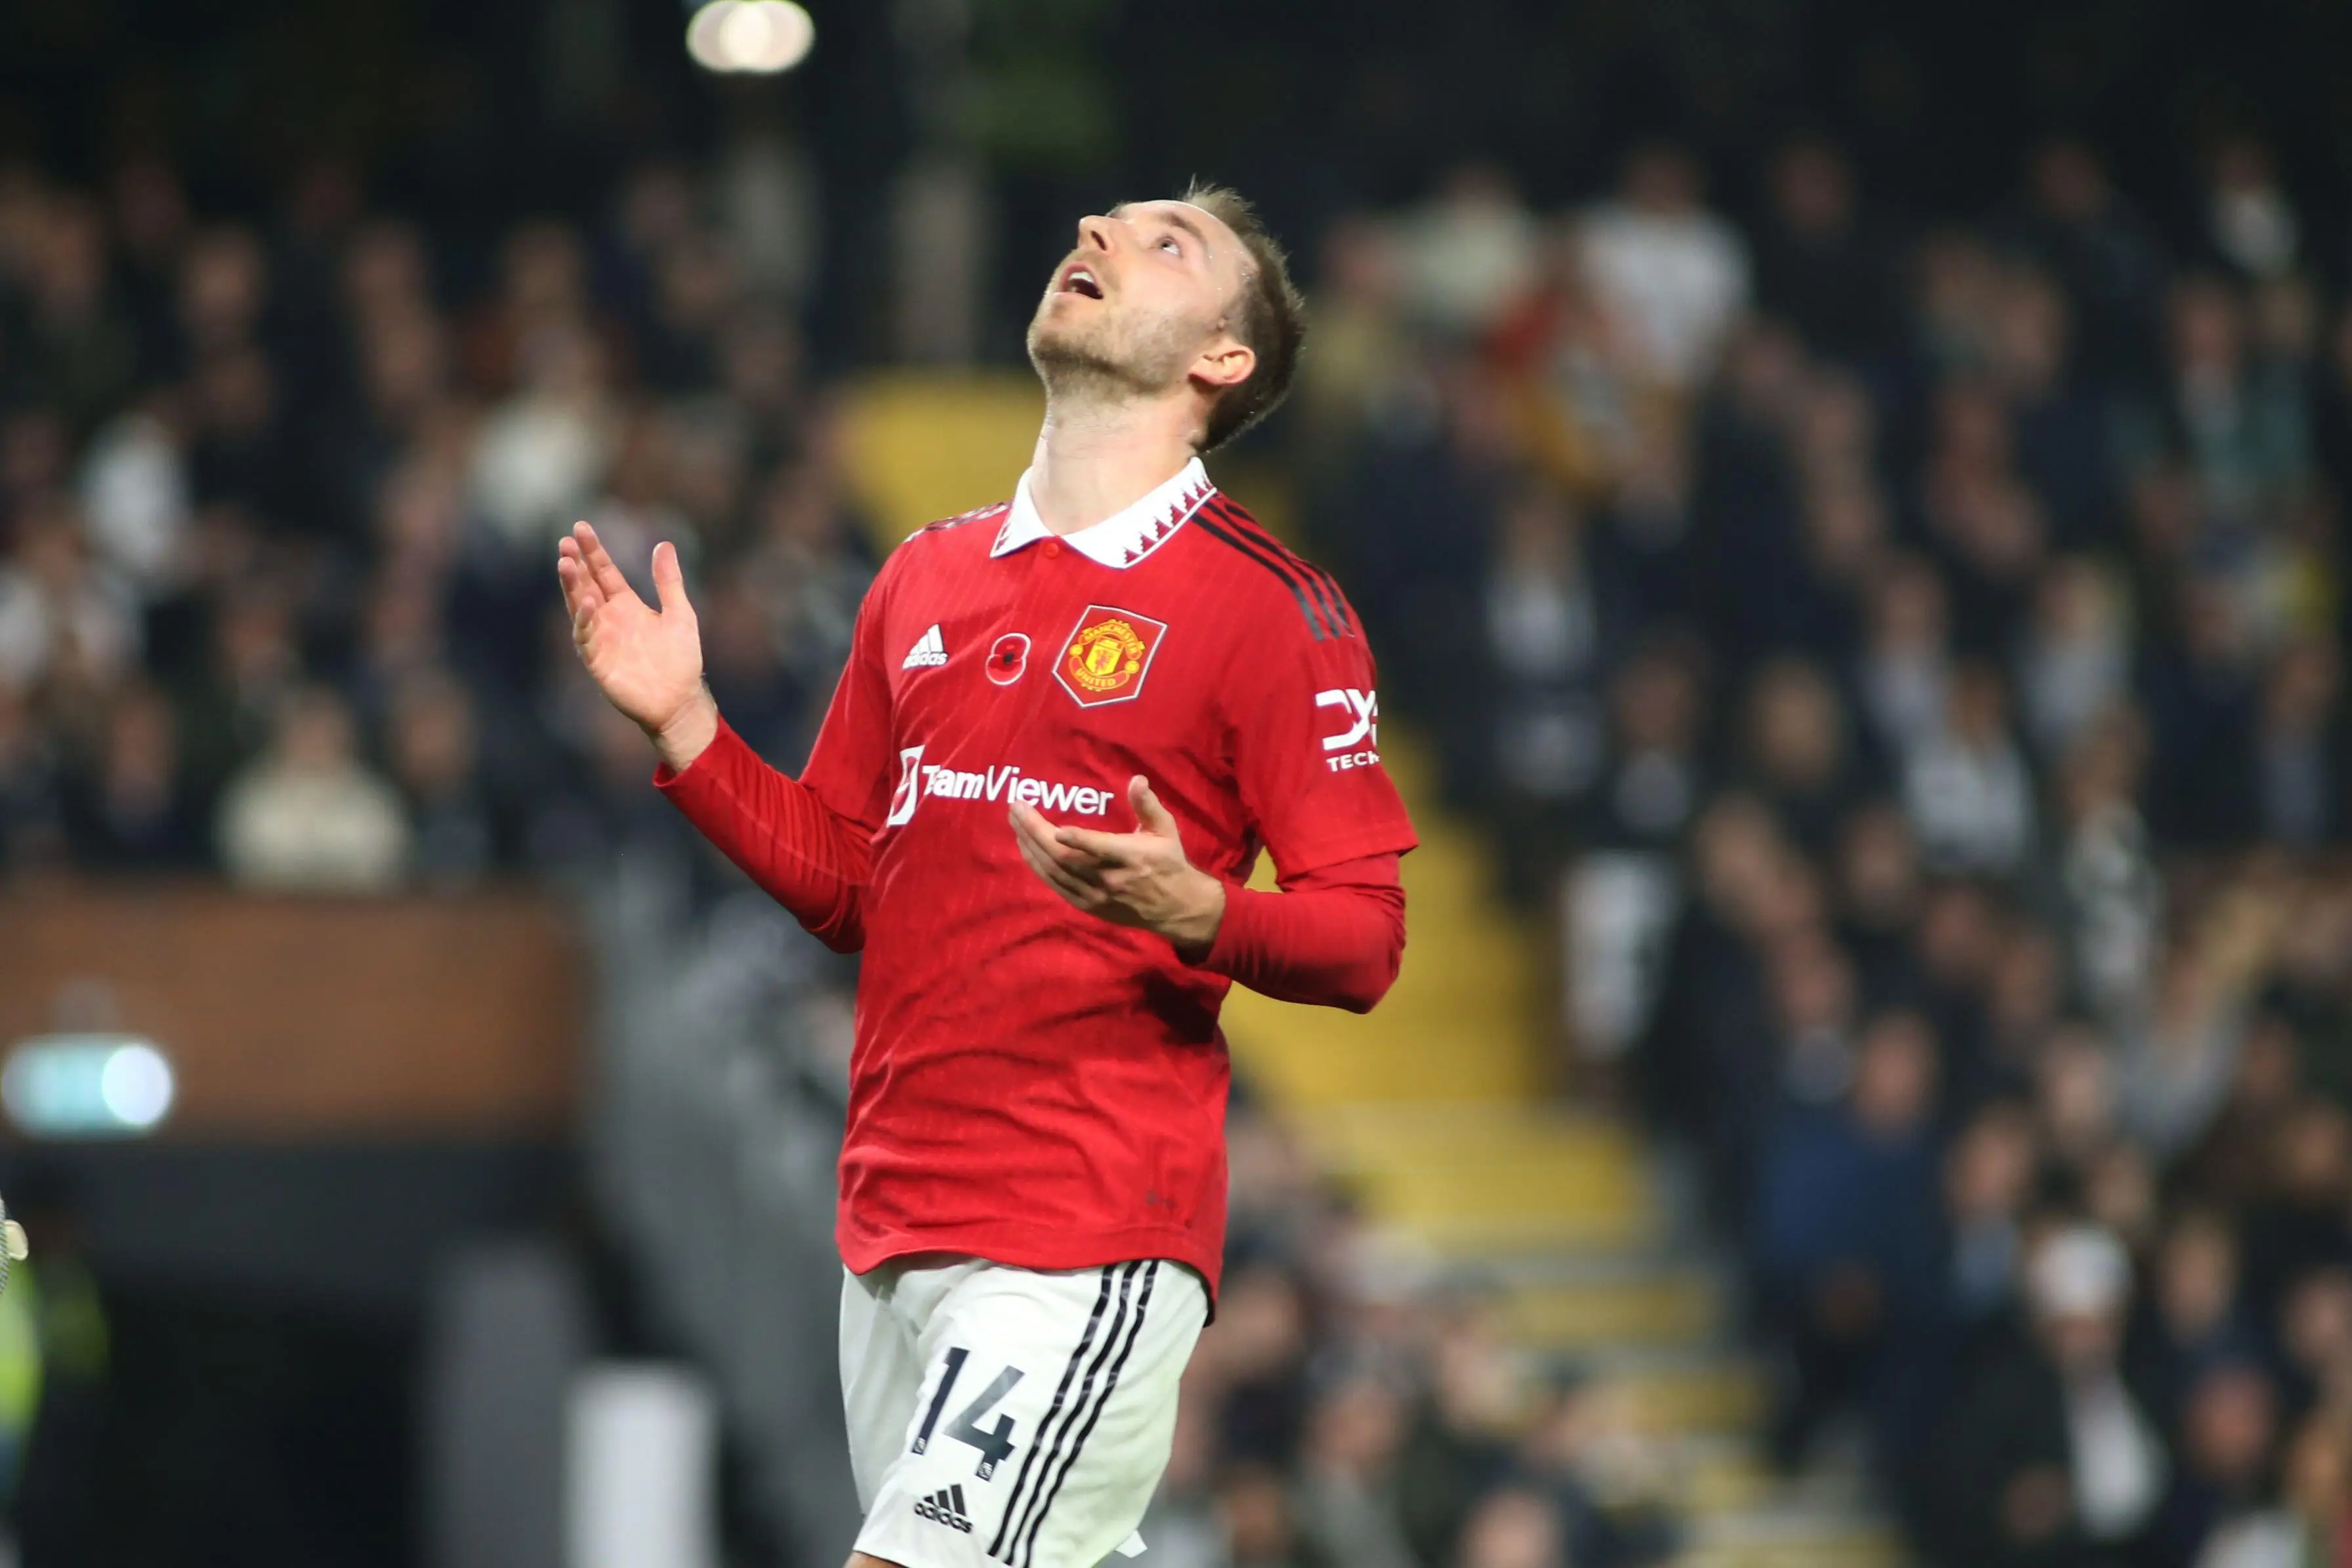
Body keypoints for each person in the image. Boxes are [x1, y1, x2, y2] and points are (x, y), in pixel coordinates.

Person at [556, 185, 1417, 1568]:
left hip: (1082, 1230)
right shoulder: (925, 577)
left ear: (1222, 359)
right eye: (1105, 221)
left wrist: (1197, 908)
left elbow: (1365, 940)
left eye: (1163, 242)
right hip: (894, 1221)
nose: (1099, 230)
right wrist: (692, 733)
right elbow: (847, 881)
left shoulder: (1272, 610)